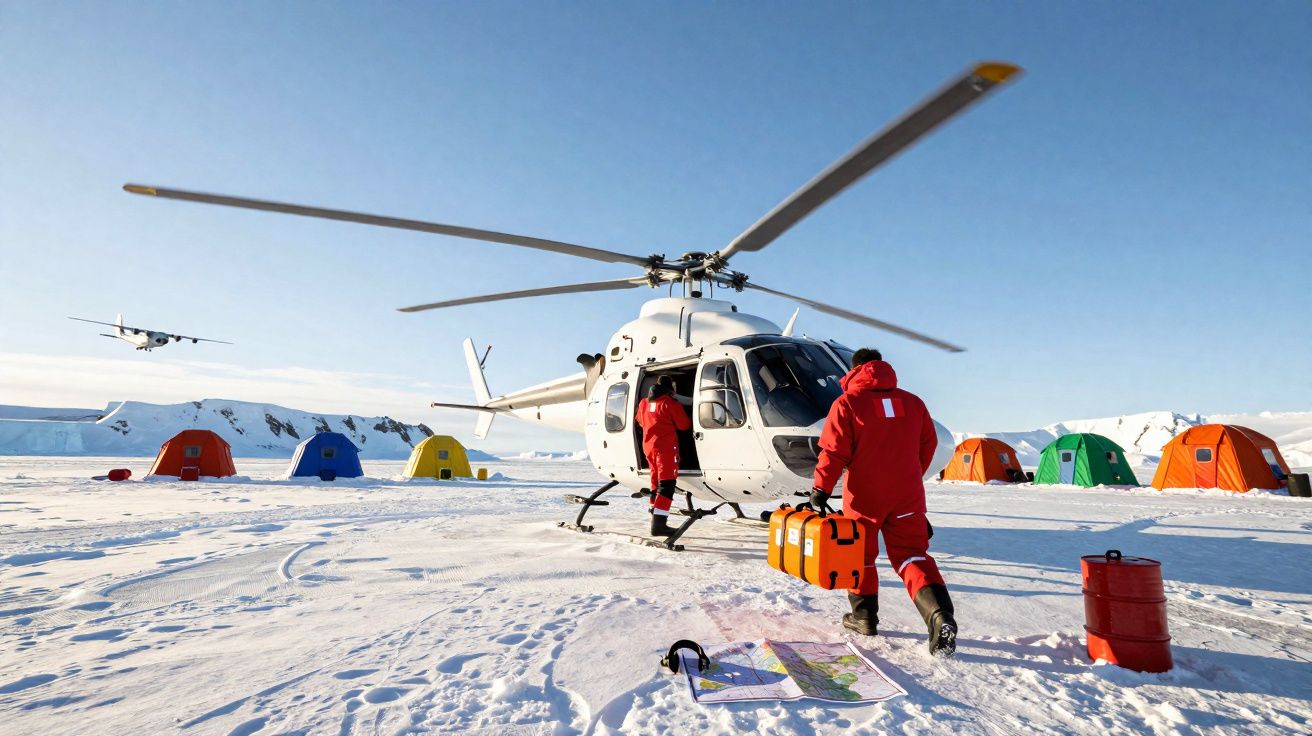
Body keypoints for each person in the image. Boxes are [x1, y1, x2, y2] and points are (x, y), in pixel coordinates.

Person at [809, 348, 957, 657]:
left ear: (855, 369)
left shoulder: (847, 403)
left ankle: (864, 617)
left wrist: (820, 490)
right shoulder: (913, 403)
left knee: (859, 556)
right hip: (907, 494)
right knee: (912, 556)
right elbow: (928, 446)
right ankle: (939, 616)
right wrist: (908, 473)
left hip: (865, 495)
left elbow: (833, 452)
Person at [637, 375, 691, 537]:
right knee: (667, 485)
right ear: (671, 389)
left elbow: (640, 421)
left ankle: (654, 515)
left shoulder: (644, 403)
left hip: (649, 447)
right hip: (665, 450)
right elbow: (684, 425)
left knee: (655, 482)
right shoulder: (669, 403)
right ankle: (659, 525)